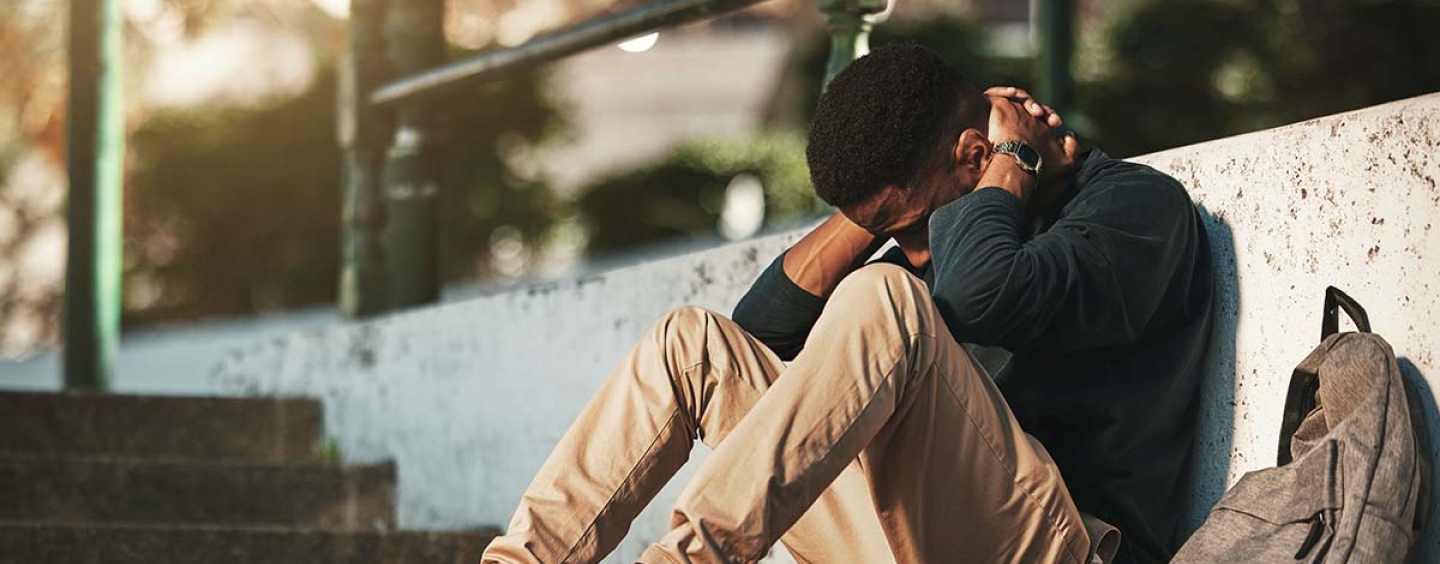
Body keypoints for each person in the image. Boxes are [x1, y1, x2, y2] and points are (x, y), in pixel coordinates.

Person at [481, 44, 1213, 564]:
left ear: (973, 159)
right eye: (894, 232)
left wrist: (1009, 160)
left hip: (1064, 547)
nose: (912, 248)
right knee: (692, 342)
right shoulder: (935, 241)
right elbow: (755, 336)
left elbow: (984, 292)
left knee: (881, 294)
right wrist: (877, 208)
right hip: (905, 539)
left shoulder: (1131, 208)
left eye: (908, 225)